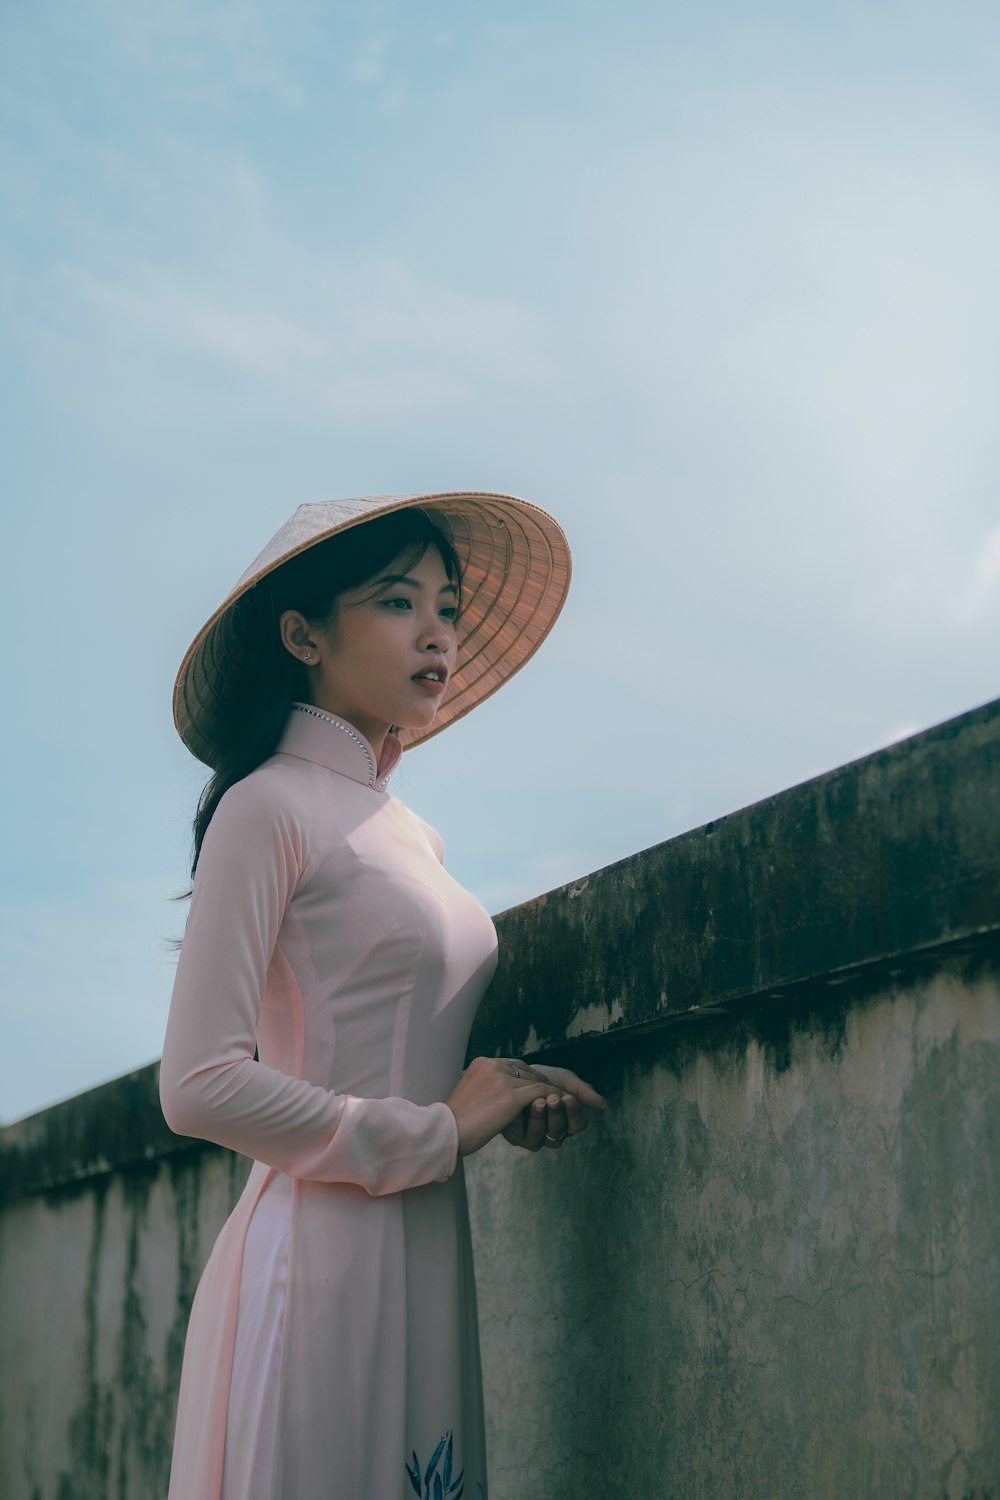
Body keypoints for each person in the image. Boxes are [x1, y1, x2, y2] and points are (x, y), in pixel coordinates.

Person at [159, 491, 605, 1500]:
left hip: (424, 1249)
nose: (438, 633)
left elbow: (410, 1056)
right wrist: (433, 1134)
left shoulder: (418, 839)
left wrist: (501, 1103)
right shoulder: (265, 806)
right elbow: (198, 1084)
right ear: (303, 633)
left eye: (448, 608)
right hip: (317, 1262)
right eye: (400, 603)